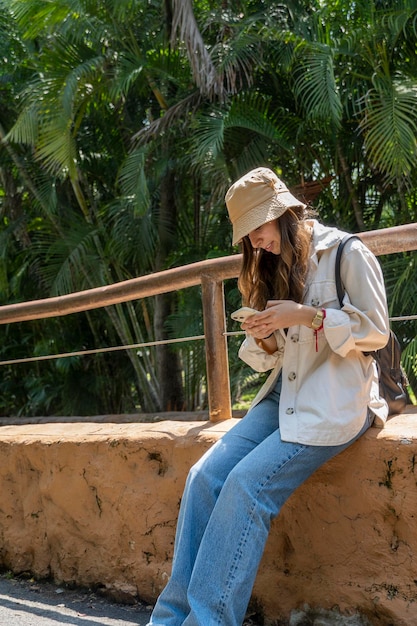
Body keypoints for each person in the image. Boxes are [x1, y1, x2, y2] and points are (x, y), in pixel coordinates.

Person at [146, 166, 390, 626]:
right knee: (203, 478)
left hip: (334, 404)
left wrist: (308, 316)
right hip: (284, 396)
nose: (256, 241)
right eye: (249, 234)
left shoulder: (345, 252)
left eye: (259, 227)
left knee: (244, 487)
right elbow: (275, 356)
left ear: (284, 213)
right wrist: (264, 334)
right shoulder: (271, 263)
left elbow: (376, 331)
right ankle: (168, 620)